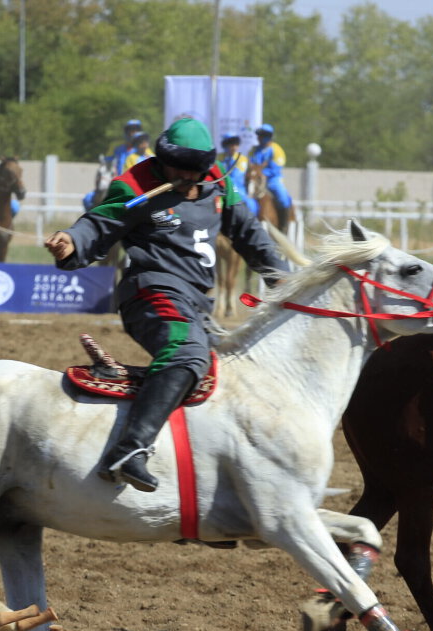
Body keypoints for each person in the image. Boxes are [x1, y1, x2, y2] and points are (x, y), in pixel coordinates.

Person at [44, 117, 289, 493]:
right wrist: (73, 240)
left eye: (197, 171)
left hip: (196, 303)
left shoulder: (219, 183)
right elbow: (98, 224)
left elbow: (248, 233)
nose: (188, 179)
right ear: (162, 159)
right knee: (186, 352)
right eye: (180, 170)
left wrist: (282, 278)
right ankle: (128, 450)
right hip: (151, 292)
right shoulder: (135, 185)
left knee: (229, 375)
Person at [83, 118, 144, 211]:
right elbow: (106, 163)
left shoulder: (142, 152)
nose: (134, 133)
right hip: (115, 183)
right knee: (88, 199)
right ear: (126, 132)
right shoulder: (118, 149)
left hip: (132, 186)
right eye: (131, 130)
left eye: (136, 130)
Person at [248, 123, 292, 230]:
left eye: (262, 135)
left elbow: (276, 168)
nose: (259, 137)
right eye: (259, 135)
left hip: (272, 179)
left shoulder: (277, 150)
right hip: (255, 179)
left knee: (282, 197)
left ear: (268, 136)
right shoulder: (255, 150)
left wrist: (263, 173)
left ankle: (283, 226)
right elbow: (251, 163)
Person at [219, 132, 258, 216]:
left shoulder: (242, 159)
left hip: (237, 188)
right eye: (231, 144)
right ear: (225, 145)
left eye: (236, 144)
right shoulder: (219, 158)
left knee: (252, 205)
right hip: (220, 188)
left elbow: (236, 177)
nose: (234, 147)